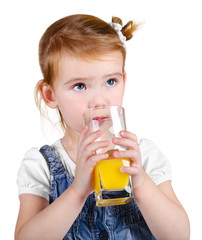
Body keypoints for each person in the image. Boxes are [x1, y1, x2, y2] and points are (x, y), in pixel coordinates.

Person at [15, 14, 190, 240]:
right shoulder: (42, 166)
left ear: (123, 82)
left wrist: (142, 184)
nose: (99, 101)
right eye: (80, 86)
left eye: (110, 82)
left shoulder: (144, 156)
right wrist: (77, 191)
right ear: (50, 95)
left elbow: (179, 235)